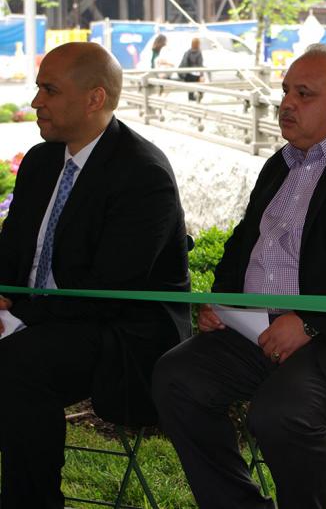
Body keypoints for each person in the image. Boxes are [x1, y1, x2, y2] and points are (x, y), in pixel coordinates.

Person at [152, 43, 326, 509]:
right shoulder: (280, 163)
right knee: (175, 377)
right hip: (260, 331)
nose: (287, 104)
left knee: (281, 412)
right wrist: (223, 303)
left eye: (304, 94)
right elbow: (243, 245)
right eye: (286, 91)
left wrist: (308, 320)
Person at [0, 42, 191, 508]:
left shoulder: (142, 174)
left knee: (18, 364)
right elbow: (12, 252)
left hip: (123, 333)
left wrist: (17, 315)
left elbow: (109, 288)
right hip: (47, 319)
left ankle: (31, 500)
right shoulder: (44, 161)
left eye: (49, 89)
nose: (36, 101)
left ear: (94, 99)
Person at [179, 37, 204, 101]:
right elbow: (200, 65)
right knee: (201, 87)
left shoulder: (188, 52)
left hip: (188, 74)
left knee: (190, 91)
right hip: (196, 74)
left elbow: (184, 62)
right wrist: (202, 75)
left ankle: (191, 100)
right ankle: (198, 98)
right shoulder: (199, 53)